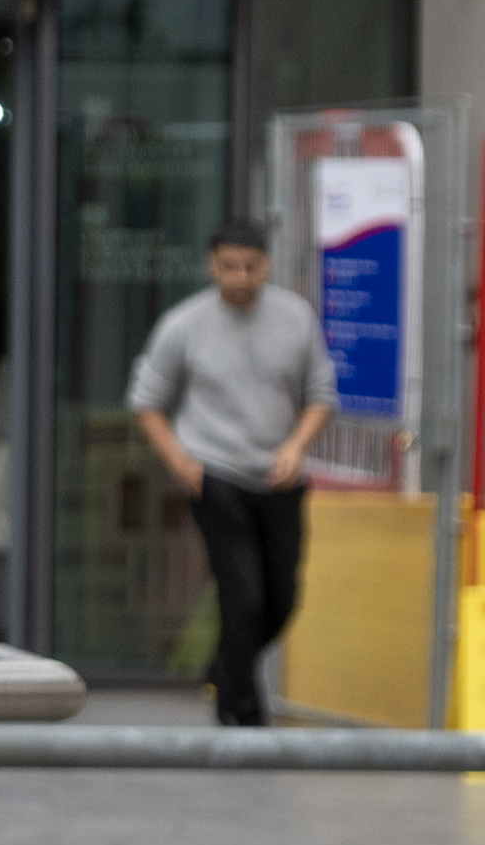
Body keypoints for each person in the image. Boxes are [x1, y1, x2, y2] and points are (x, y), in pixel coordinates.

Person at [128, 219, 332, 726]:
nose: (240, 277)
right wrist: (183, 465)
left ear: (267, 265)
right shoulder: (184, 324)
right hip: (216, 476)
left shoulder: (295, 318)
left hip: (280, 479)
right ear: (211, 266)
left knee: (282, 598)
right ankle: (239, 710)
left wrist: (295, 446)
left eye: (250, 267)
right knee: (243, 596)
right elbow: (146, 402)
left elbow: (321, 396)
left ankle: (226, 669)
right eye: (229, 267)